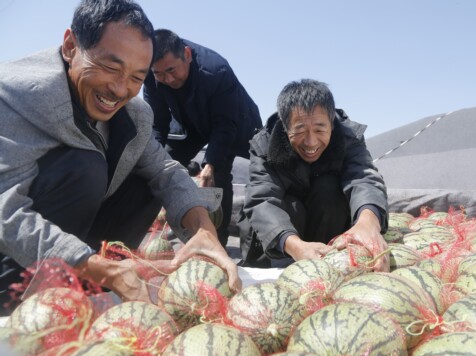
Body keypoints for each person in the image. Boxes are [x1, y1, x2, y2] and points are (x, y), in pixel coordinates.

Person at [0, 0, 240, 314]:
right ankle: (19, 296)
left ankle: (90, 285)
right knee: (86, 167)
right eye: (111, 68)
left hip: (79, 254)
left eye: (136, 78)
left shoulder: (134, 114)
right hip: (12, 258)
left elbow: (165, 171)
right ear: (71, 46)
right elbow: (7, 211)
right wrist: (104, 268)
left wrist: (203, 229)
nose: (119, 89)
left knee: (146, 182)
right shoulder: (14, 96)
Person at [238, 79, 390, 270]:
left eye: (320, 129)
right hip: (279, 243)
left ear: (332, 124)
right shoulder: (264, 145)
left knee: (329, 189)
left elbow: (364, 178)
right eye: (300, 130)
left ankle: (333, 261)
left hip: (326, 230)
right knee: (290, 205)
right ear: (285, 127)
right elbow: (262, 199)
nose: (310, 142)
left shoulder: (349, 138)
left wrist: (368, 222)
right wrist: (295, 246)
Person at [142, 29, 263, 247]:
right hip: (190, 123)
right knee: (160, 162)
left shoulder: (216, 71)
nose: (167, 79)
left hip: (236, 123)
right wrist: (150, 159)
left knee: (220, 172)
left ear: (187, 55)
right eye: (160, 74)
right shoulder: (151, 74)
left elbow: (224, 125)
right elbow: (157, 124)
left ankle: (218, 241)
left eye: (171, 70)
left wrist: (210, 164)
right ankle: (148, 233)